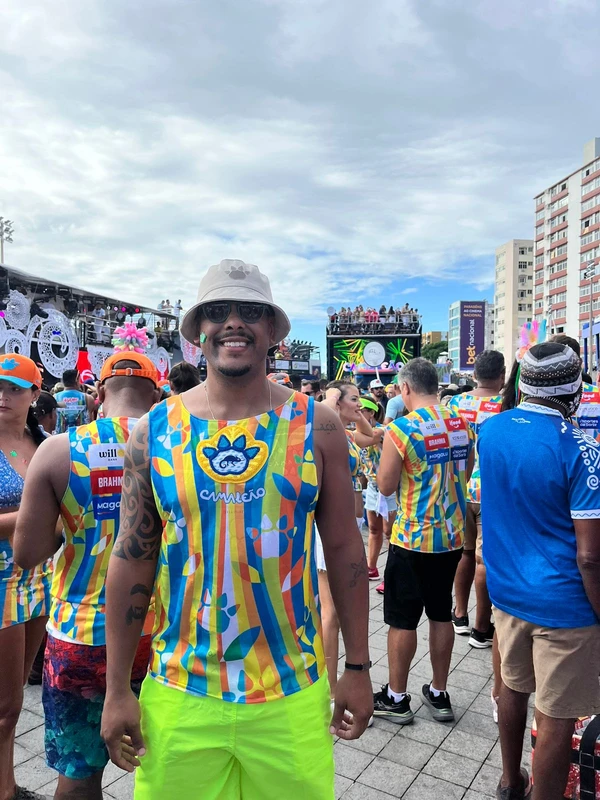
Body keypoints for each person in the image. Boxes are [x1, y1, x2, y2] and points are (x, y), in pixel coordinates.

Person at [100, 259, 372, 800]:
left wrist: (359, 667)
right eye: (218, 311)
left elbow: (344, 547)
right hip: (180, 690)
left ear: (272, 330)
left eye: (250, 311)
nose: (234, 323)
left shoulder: (317, 425)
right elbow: (132, 557)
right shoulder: (152, 432)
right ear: (197, 329)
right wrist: (115, 689)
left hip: (290, 691)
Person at [14, 353, 161, 800]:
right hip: (160, 634)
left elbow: (27, 553)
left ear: (98, 395)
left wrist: (74, 520)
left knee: (77, 777)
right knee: (170, 771)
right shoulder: (175, 450)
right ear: (156, 396)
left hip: (81, 635)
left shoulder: (59, 450)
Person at [479, 342, 600, 800]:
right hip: (566, 607)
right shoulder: (583, 451)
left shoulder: (491, 430)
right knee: (556, 713)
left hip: (508, 595)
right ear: (574, 391)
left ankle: (511, 782)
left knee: (511, 686)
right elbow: (590, 557)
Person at [373, 358, 474, 724]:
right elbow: (465, 470)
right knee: (440, 612)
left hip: (413, 537)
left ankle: (396, 697)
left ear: (404, 388)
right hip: (451, 538)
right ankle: (438, 692)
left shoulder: (401, 430)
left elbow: (385, 486)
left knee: (402, 620)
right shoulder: (462, 423)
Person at [0, 354, 52, 800]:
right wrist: (37, 515)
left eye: (14, 388)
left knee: (14, 696)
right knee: (5, 706)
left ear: (34, 395)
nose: (3, 395)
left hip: (39, 578)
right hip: (0, 583)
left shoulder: (45, 442)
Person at [316, 382, 379, 699]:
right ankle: (328, 687)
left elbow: (372, 437)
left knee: (338, 613)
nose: (361, 403)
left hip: (351, 526)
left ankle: (332, 681)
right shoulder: (324, 433)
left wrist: (356, 413)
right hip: (329, 528)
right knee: (332, 613)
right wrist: (331, 401)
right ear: (336, 401)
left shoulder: (349, 435)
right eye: (354, 398)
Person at [448, 350, 505, 650]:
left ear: (475, 374)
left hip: (460, 487)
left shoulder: (456, 402)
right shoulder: (506, 404)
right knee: (484, 558)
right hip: (491, 491)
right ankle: (482, 628)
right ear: (502, 374)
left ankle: (459, 615)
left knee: (464, 553)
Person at [360, 397, 396, 583]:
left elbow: (370, 439)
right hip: (373, 487)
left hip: (389, 487)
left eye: (360, 409)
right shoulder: (356, 431)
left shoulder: (383, 430)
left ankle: (392, 576)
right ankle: (371, 568)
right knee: (373, 529)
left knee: (390, 532)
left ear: (371, 412)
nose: (356, 412)